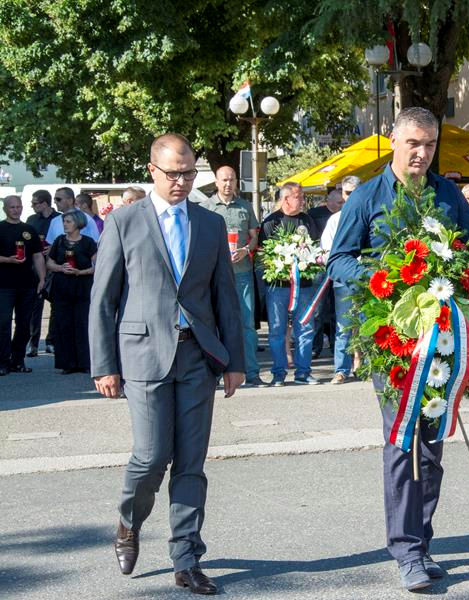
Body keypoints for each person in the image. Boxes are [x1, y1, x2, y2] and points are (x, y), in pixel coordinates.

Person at [327, 107, 469, 591]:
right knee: (403, 440)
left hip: (442, 336)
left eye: (430, 144)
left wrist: (465, 284)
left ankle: (422, 540)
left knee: (432, 442)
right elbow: (338, 261)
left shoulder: (447, 194)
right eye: (413, 143)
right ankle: (406, 550)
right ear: (393, 141)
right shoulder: (368, 196)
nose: (421, 153)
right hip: (391, 339)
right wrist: (388, 279)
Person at [90, 133, 245, 595]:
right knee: (151, 455)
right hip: (143, 356)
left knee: (191, 463)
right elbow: (103, 299)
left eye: (189, 173)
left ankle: (187, 558)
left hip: (197, 355)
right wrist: (104, 365)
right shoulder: (123, 222)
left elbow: (225, 297)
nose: (182, 181)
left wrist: (235, 360)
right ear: (152, 171)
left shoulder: (209, 223)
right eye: (173, 173)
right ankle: (128, 521)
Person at [201, 166, 264, 387]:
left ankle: (252, 372)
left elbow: (254, 237)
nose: (228, 184)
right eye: (224, 180)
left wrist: (246, 250)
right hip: (214, 276)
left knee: (246, 325)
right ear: (216, 182)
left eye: (232, 180)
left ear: (236, 181)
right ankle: (217, 372)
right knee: (215, 324)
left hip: (242, 273)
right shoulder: (206, 207)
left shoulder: (245, 206)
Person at [259, 182, 320, 386]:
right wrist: (282, 269)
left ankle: (303, 372)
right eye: (298, 197)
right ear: (286, 199)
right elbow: (263, 255)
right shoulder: (271, 222)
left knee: (305, 328)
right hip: (278, 287)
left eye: (302, 197)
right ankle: (278, 373)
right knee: (277, 330)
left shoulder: (307, 220)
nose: (302, 200)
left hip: (304, 285)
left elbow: (315, 248)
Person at [320, 176, 360, 384]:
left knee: (368, 325)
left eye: (354, 192)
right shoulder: (335, 220)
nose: (350, 197)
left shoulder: (371, 215)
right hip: (344, 280)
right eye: (347, 193)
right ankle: (341, 370)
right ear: (342, 194)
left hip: (368, 278)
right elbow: (327, 251)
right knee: (344, 326)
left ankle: (367, 366)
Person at [0, 195, 46, 376]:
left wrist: (42, 279)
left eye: (18, 206)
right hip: (4, 285)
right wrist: (8, 260)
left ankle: (17, 360)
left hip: (27, 284)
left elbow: (37, 256)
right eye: (12, 207)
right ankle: (2, 362)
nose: (16, 210)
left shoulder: (29, 230)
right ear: (5, 209)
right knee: (3, 323)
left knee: (24, 324)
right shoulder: (0, 228)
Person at [46, 210, 96, 374]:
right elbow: (49, 263)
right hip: (62, 287)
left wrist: (80, 272)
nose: (65, 224)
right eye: (64, 221)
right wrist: (60, 268)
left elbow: (97, 265)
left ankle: (84, 361)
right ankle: (67, 363)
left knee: (82, 323)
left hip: (82, 286)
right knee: (63, 324)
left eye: (68, 221)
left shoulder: (88, 242)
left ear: (78, 223)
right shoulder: (59, 241)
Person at [310, 188, 344, 358]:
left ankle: (334, 345)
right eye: (339, 202)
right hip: (321, 267)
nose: (342, 205)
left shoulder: (346, 215)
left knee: (336, 310)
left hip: (340, 266)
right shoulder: (314, 214)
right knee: (318, 309)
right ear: (329, 201)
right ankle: (315, 346)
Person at [25, 189, 58, 356]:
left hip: (55, 266)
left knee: (55, 305)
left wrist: (53, 248)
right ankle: (33, 342)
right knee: (35, 306)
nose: (32, 206)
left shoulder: (59, 219)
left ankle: (51, 340)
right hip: (36, 267)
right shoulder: (31, 220)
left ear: (44, 203)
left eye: (35, 203)